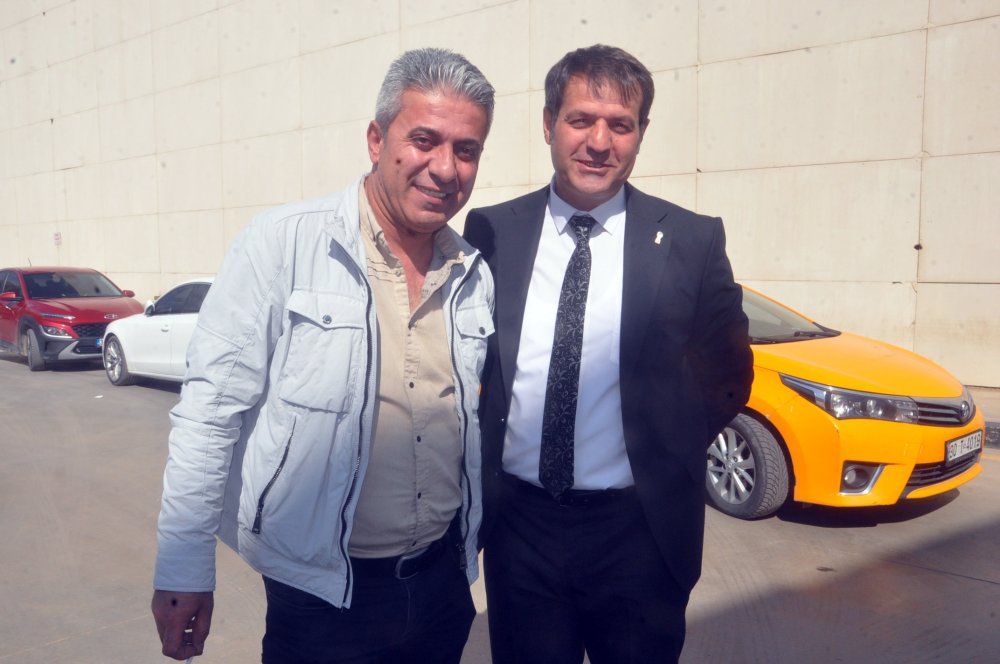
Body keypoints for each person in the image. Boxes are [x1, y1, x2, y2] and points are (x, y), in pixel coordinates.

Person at [151, 47, 496, 663]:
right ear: (376, 139)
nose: (445, 168)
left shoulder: (473, 273)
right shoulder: (284, 244)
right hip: (320, 598)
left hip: (442, 583)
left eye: (466, 150)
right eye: (424, 140)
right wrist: (184, 568)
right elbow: (209, 414)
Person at [463, 44, 753, 664]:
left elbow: (729, 376)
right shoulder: (492, 231)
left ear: (641, 133)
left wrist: (663, 448)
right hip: (520, 533)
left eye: (620, 125)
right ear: (548, 124)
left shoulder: (692, 239)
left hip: (638, 536)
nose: (599, 142)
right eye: (580, 120)